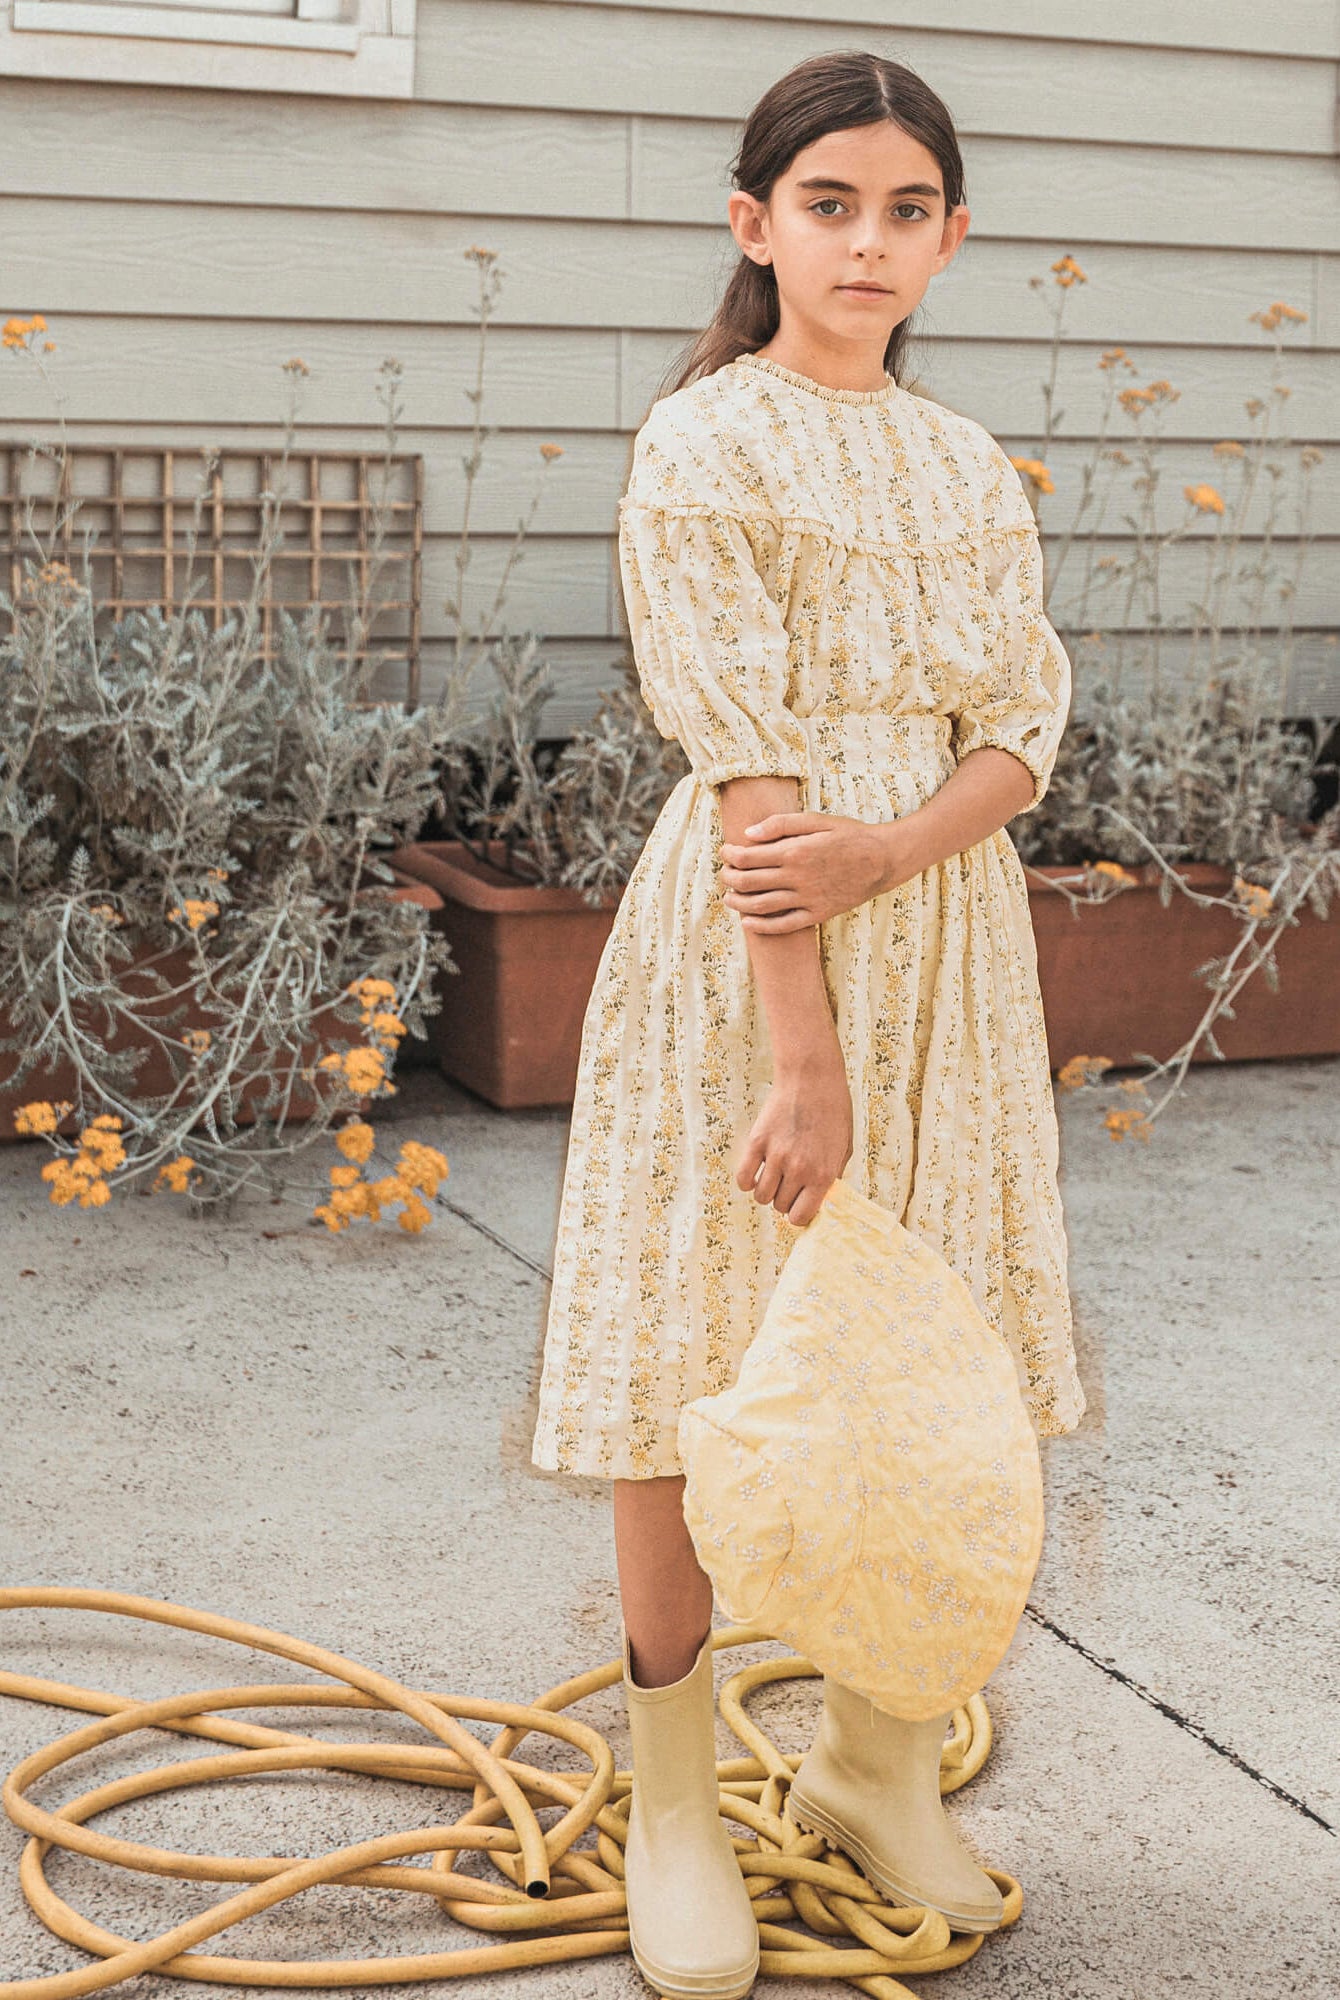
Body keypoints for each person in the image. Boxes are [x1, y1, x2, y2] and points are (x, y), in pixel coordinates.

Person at [530, 46, 1088, 2000]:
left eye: (904, 210)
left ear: (951, 237)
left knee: (925, 1348)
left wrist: (899, 851)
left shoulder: (963, 463)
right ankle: (677, 1799)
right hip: (753, 954)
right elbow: (752, 773)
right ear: (754, 226)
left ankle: (872, 1761)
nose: (867, 243)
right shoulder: (707, 441)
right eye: (828, 205)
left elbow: (1021, 722)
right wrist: (805, 1049)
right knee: (692, 1343)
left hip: (944, 947)